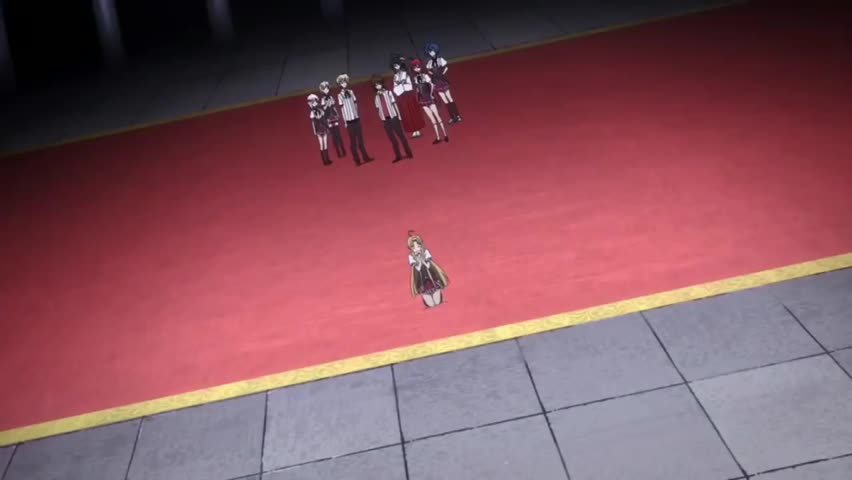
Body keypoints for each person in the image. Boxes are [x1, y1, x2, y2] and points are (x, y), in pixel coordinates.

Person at [372, 74, 413, 163]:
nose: (378, 86)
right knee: (392, 139)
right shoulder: (376, 97)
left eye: (379, 84)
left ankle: (409, 153)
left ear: (382, 84)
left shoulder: (388, 93)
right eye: (376, 85)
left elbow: (394, 104)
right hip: (386, 120)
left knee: (401, 136)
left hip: (394, 117)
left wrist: (399, 115)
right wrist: (382, 118)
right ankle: (398, 155)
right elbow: (378, 108)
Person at [336, 74, 374, 166]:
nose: (344, 84)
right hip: (349, 121)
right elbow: (342, 109)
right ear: (340, 84)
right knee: (353, 141)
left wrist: (357, 114)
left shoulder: (351, 92)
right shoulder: (340, 95)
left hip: (356, 119)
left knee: (360, 140)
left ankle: (365, 157)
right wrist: (345, 121)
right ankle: (357, 160)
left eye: (345, 82)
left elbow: (355, 103)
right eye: (342, 83)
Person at [410, 58, 449, 144]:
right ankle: (438, 137)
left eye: (418, 67)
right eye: (415, 67)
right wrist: (418, 97)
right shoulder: (415, 78)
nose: (417, 69)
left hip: (429, 98)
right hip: (422, 100)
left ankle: (445, 135)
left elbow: (432, 85)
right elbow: (417, 89)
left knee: (437, 116)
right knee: (432, 119)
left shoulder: (425, 76)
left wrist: (431, 94)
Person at [407, 231, 449, 308]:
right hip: (420, 273)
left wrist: (424, 260)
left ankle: (437, 294)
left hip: (429, 271)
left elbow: (428, 259)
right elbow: (413, 264)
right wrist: (418, 262)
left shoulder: (425, 251)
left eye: (418, 245)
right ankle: (427, 298)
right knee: (428, 299)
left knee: (435, 283)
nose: (416, 248)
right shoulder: (411, 255)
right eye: (414, 247)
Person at [424, 42, 462, 123]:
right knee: (445, 101)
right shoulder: (429, 63)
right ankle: (452, 117)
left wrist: (442, 74)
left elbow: (446, 68)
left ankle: (458, 116)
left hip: (442, 80)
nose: (431, 53)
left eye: (432, 51)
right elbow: (429, 71)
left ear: (435, 51)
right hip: (436, 82)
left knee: (450, 98)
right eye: (430, 52)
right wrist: (432, 74)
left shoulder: (441, 60)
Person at [390, 54, 426, 138]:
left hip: (409, 95)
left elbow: (410, 85)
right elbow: (395, 89)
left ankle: (417, 129)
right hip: (401, 97)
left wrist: (403, 86)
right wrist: (400, 87)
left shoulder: (405, 73)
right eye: (395, 66)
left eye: (397, 65)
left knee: (413, 112)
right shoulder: (395, 76)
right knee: (406, 114)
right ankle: (413, 130)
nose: (396, 67)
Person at [319, 81, 346, 158]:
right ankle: (338, 151)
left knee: (338, 134)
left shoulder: (331, 97)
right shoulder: (323, 99)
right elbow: (323, 109)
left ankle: (343, 149)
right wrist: (327, 104)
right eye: (324, 89)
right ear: (322, 90)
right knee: (333, 135)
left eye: (327, 89)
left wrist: (337, 114)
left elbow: (333, 106)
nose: (326, 90)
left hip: (333, 115)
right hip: (328, 117)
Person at [307, 94, 331, 166]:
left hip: (323, 127)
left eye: (314, 101)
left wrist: (327, 126)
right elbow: (312, 121)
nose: (313, 103)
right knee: (321, 145)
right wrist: (315, 131)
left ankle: (327, 159)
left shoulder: (320, 108)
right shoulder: (312, 111)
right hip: (318, 129)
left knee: (325, 144)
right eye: (312, 102)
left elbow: (324, 116)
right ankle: (324, 161)